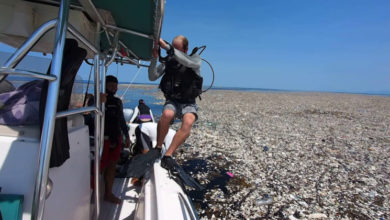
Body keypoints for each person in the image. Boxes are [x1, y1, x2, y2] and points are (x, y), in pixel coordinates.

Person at [127, 35, 202, 179]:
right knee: (167, 115)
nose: (172, 52)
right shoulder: (169, 62)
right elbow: (152, 76)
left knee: (188, 122)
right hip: (173, 100)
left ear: (185, 49)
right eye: (172, 48)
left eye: (176, 49)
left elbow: (185, 60)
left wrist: (168, 47)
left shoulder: (195, 59)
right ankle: (158, 148)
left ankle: (168, 155)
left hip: (188, 102)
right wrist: (155, 58)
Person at [101, 75, 130, 204]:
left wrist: (127, 136)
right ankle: (92, 191)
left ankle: (108, 193)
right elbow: (91, 116)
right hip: (102, 139)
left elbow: (121, 120)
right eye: (111, 85)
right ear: (105, 85)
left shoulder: (118, 102)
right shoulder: (97, 99)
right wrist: (99, 103)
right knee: (100, 166)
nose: (114, 88)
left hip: (116, 137)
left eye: (115, 85)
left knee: (112, 166)